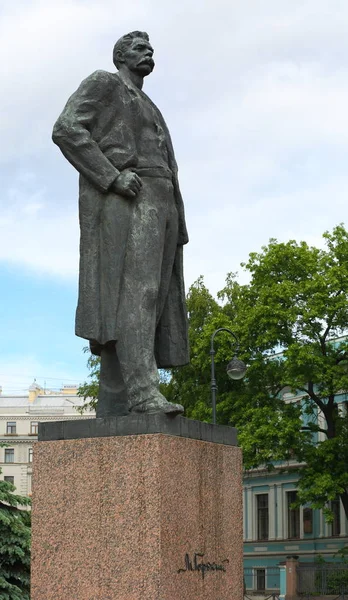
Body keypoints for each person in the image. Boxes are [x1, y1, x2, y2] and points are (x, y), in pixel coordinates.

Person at [52, 31, 189, 417]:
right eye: (139, 48)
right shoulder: (104, 83)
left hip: (162, 200)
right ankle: (144, 393)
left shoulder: (150, 104)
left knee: (153, 301)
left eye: (151, 48)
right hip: (131, 197)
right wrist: (111, 176)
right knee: (136, 296)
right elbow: (66, 129)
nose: (149, 53)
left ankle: (114, 402)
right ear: (120, 56)